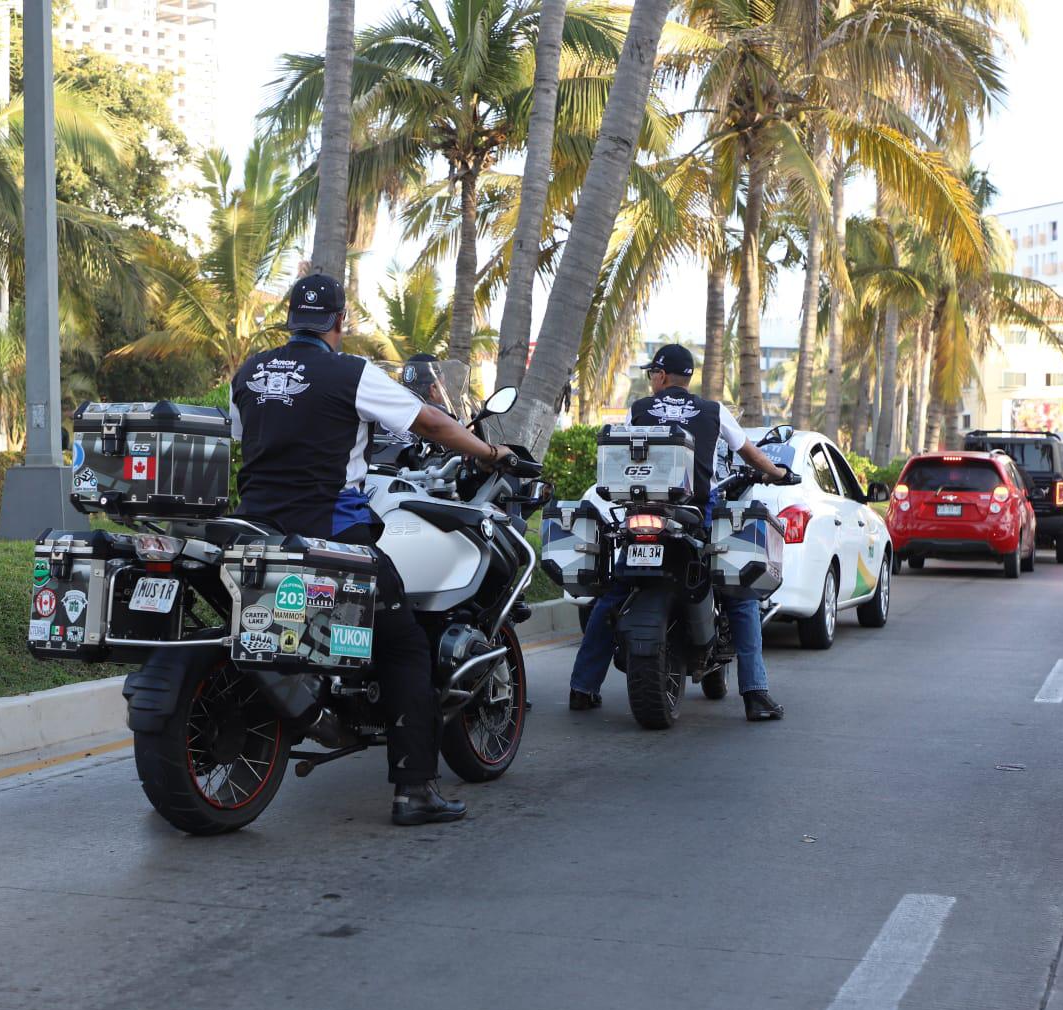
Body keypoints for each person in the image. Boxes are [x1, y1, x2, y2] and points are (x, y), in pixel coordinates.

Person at [230, 273, 513, 826]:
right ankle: (415, 790)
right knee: (404, 643)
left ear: (292, 318)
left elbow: (246, 434)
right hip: (327, 530)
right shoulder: (351, 372)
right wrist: (486, 452)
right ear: (339, 322)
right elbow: (430, 421)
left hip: (254, 528)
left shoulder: (251, 371)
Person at [567, 343, 793, 722]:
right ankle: (755, 694)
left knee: (611, 598)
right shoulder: (713, 411)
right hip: (692, 516)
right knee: (740, 597)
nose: (650, 380)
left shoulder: (638, 409)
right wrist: (779, 473)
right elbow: (750, 454)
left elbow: (622, 454)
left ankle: (581, 688)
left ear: (660, 374)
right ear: (687, 377)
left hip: (641, 514)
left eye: (651, 374)